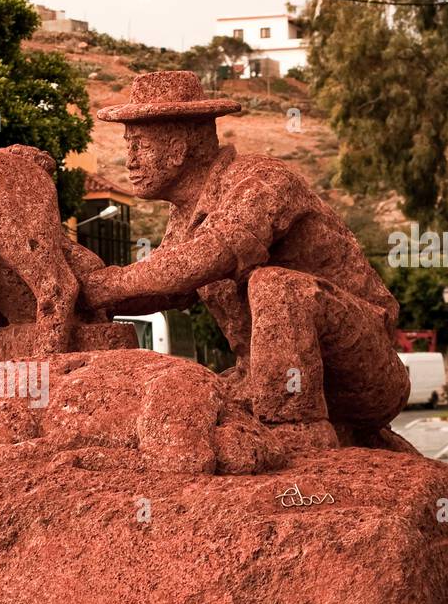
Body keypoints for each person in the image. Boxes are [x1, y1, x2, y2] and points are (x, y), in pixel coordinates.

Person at [78, 71, 410, 446]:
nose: (130, 160)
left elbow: (204, 258)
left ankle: (295, 432)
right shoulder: (186, 218)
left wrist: (104, 285)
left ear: (177, 149)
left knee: (277, 286)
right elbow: (165, 291)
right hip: (259, 378)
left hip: (366, 373)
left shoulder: (260, 181)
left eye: (138, 144)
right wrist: (74, 280)